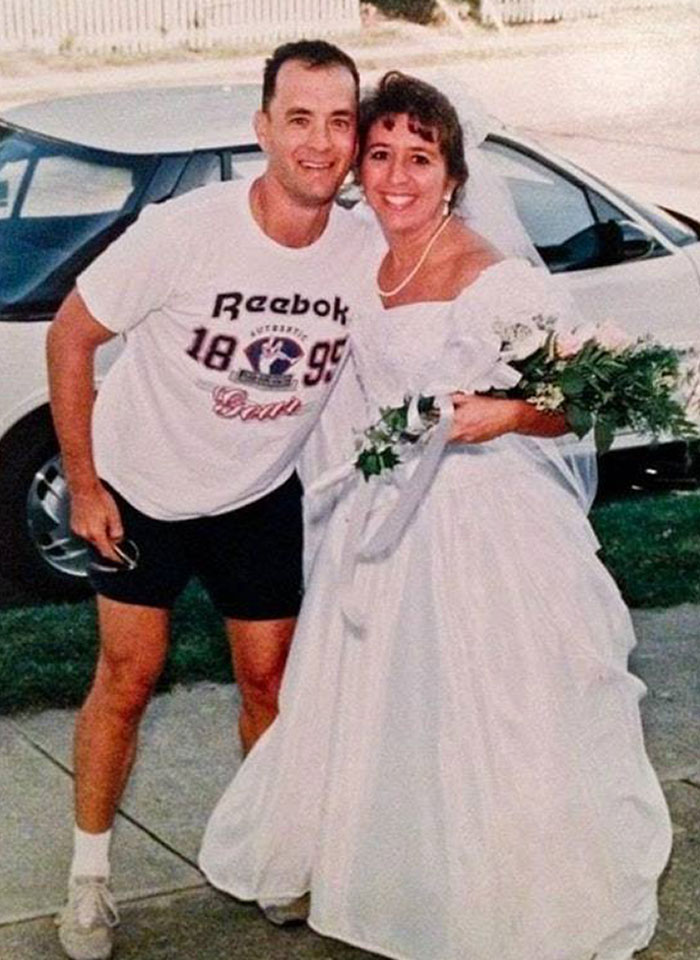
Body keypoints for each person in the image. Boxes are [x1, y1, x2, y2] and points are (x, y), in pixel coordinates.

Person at [199, 73, 672, 960]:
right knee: (387, 713)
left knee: (489, 711)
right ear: (359, 169)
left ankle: (501, 893)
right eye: (379, 156)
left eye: (419, 157)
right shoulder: (356, 260)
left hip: (487, 525)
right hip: (380, 527)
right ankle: (398, 873)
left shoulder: (493, 278)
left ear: (453, 173)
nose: (398, 176)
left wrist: (504, 414)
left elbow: (576, 403)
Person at [47, 39, 374, 960]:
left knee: (270, 682)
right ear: (262, 126)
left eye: (339, 122)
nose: (318, 143)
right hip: (143, 492)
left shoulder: (361, 249)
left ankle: (270, 859)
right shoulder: (186, 231)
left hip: (258, 494)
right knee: (128, 677)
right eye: (298, 119)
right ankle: (89, 880)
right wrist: (83, 485)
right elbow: (71, 338)